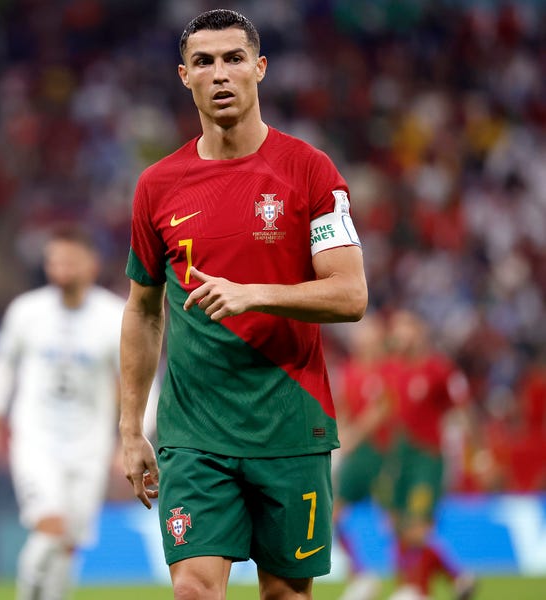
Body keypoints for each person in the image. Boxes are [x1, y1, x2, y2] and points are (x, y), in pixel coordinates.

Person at [119, 9, 367, 600]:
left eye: (234, 59)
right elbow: (143, 310)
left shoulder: (310, 172)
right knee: (194, 591)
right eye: (204, 62)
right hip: (195, 431)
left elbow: (351, 294)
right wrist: (130, 429)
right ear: (184, 76)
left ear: (260, 68)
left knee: (285, 594)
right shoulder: (157, 185)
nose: (220, 73)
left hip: (290, 423)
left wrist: (253, 294)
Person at [0, 224, 130, 600]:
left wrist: (129, 439)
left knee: (68, 544)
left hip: (89, 445)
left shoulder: (114, 316)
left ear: (91, 264)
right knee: (50, 526)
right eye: (54, 261)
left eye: (69, 261)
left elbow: (138, 383)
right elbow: (2, 366)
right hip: (36, 440)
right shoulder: (27, 312)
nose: (60, 269)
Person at [383, 310, 476, 600]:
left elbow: (462, 410)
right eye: (396, 329)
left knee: (417, 527)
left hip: (428, 458)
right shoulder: (393, 370)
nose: (399, 334)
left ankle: (417, 591)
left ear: (418, 332)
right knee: (396, 526)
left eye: (405, 327)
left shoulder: (439, 370)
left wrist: (475, 453)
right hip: (400, 458)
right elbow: (388, 411)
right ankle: (455, 577)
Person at [331, 314, 395, 600]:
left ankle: (413, 580)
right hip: (358, 457)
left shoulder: (388, 370)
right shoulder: (350, 371)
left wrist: (352, 436)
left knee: (398, 519)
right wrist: (338, 437)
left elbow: (382, 409)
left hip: (383, 453)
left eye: (366, 333)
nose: (360, 338)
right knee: (332, 514)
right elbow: (343, 409)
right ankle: (361, 575)